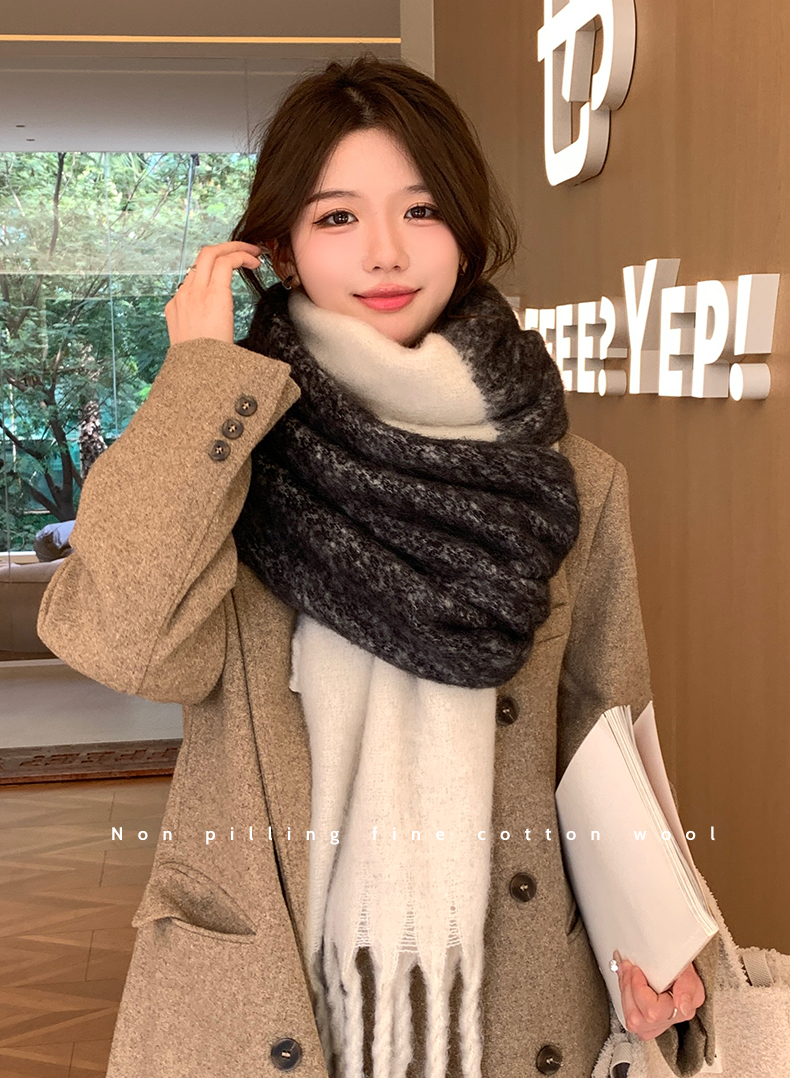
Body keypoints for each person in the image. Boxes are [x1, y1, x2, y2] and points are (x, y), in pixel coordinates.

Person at [37, 54, 719, 1078]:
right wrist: (199, 380)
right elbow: (121, 641)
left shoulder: (574, 479)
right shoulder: (225, 452)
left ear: (466, 232)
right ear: (279, 248)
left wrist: (650, 930)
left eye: (421, 208)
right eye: (338, 216)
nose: (387, 250)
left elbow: (602, 730)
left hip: (517, 995)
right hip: (270, 996)